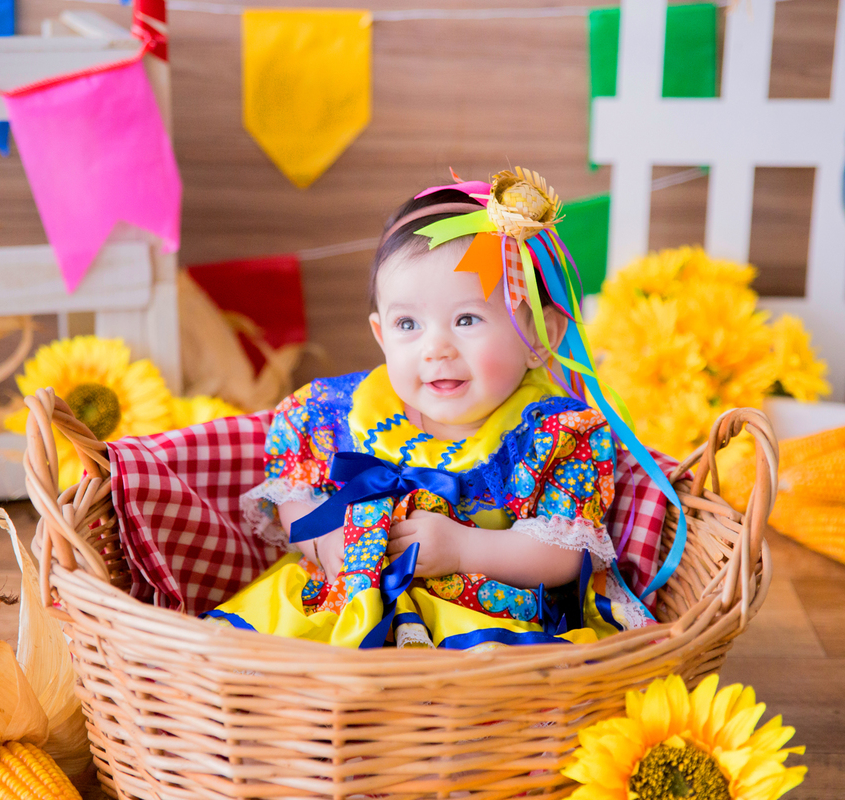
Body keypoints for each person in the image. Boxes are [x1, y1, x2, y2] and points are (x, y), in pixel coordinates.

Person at [205, 169, 663, 648]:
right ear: (381, 335)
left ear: (538, 337)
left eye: (466, 319)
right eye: (408, 324)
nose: (435, 349)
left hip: (476, 614)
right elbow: (295, 496)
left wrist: (465, 548)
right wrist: (323, 545)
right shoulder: (339, 413)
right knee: (269, 646)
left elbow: (563, 554)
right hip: (342, 599)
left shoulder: (554, 434)